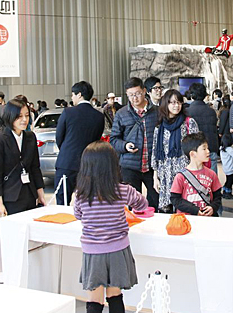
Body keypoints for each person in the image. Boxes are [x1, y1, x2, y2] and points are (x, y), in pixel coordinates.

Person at [73, 141, 148, 313]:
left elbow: (78, 215)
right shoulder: (123, 190)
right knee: (115, 294)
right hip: (118, 250)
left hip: (93, 252)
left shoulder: (81, 194)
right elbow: (142, 204)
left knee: (94, 299)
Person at [0, 99, 46, 217]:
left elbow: (35, 167)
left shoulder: (30, 137)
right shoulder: (0, 140)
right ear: (10, 116)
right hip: (10, 196)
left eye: (27, 115)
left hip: (29, 194)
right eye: (19, 116)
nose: (24, 119)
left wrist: (40, 194)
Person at [109, 77, 159, 209]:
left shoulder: (157, 112)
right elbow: (113, 140)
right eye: (130, 95)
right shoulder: (121, 114)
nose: (134, 98)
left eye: (137, 94)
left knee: (156, 201)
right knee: (132, 204)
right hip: (129, 166)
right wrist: (125, 146)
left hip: (152, 166)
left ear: (144, 91)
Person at [54, 81, 105, 205]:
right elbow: (97, 140)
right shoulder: (99, 116)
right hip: (89, 163)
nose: (72, 98)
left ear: (79, 94)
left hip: (67, 162)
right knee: (88, 202)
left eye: (73, 94)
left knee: (62, 200)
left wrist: (66, 150)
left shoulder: (68, 112)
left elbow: (59, 137)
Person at [151, 89, 199, 212]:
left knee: (185, 210)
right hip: (165, 175)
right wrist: (155, 178)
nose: (176, 106)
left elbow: (197, 149)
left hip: (184, 174)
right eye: (172, 102)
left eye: (179, 102)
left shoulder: (189, 123)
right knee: (167, 212)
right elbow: (155, 152)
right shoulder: (159, 127)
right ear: (165, 104)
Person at [170, 133, 222, 216]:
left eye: (207, 148)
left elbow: (217, 197)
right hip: (187, 219)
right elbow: (175, 199)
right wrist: (195, 210)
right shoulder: (180, 177)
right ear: (192, 154)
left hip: (207, 218)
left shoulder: (211, 174)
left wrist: (213, 207)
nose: (208, 151)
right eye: (204, 149)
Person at [185, 83, 220, 173]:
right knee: (211, 178)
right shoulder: (211, 111)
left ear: (192, 95)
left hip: (194, 150)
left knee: (195, 178)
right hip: (211, 148)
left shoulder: (187, 112)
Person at [218, 96, 233, 199]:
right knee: (230, 180)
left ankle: (225, 190)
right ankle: (227, 192)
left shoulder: (222, 149)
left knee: (228, 179)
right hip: (226, 132)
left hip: (226, 167)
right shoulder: (229, 110)